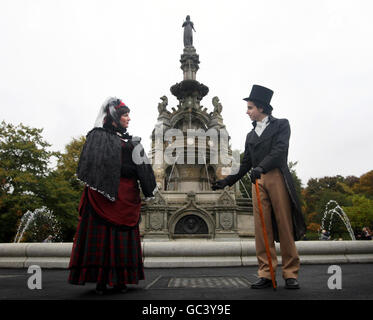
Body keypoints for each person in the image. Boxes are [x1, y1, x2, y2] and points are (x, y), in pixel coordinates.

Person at [212, 85, 306, 290]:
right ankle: (266, 272)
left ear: (261, 108)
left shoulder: (281, 125)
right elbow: (246, 163)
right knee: (262, 228)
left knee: (284, 224)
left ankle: (290, 273)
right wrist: (227, 181)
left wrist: (261, 167)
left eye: (250, 107)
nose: (247, 111)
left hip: (276, 176)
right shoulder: (250, 135)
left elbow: (281, 151)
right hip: (257, 180)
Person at [68, 97, 157, 295]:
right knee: (106, 237)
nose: (129, 118)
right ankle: (101, 280)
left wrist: (147, 186)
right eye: (125, 115)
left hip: (125, 194)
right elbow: (92, 164)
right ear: (115, 117)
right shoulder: (98, 136)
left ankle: (120, 280)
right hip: (103, 194)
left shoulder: (132, 141)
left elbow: (144, 168)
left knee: (118, 238)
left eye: (128, 114)